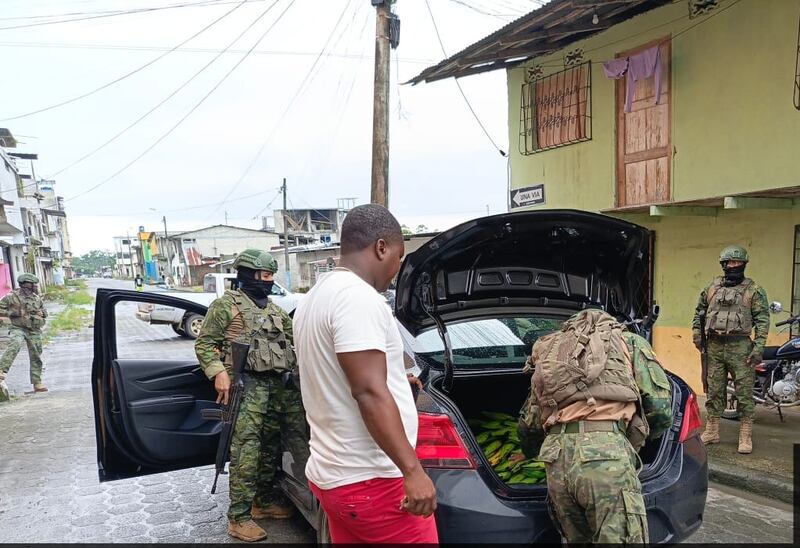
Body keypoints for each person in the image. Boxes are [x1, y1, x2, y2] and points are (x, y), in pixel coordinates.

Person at [293, 204, 438, 544]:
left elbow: (337, 376)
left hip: (335, 476)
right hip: (374, 482)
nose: (397, 269)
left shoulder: (314, 299)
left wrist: (394, 381)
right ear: (381, 247)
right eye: (399, 258)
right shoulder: (358, 299)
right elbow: (368, 392)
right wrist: (413, 471)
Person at [517, 308, 673, 544]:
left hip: (556, 458)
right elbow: (660, 409)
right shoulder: (629, 342)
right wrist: (638, 441)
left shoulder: (552, 350)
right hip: (605, 455)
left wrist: (528, 451)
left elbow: (531, 420)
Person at [194, 249, 309, 542]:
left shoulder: (274, 310)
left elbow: (297, 341)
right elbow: (205, 343)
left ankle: (263, 501)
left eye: (271, 276)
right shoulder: (226, 306)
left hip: (274, 389)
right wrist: (218, 372)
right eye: (264, 276)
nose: (268, 281)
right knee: (246, 451)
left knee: (270, 446)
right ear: (248, 275)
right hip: (244, 387)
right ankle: (238, 516)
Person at [692, 245, 769, 454]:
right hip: (715, 346)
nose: (732, 266)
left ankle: (745, 435)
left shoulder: (753, 290)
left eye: (737, 263)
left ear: (743, 265)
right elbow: (699, 312)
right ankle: (712, 430)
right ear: (723, 264)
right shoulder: (712, 288)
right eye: (729, 263)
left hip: (741, 347)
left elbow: (762, 320)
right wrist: (697, 335)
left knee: (743, 393)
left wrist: (758, 347)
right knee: (714, 390)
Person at [0, 274, 48, 393]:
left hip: (34, 329)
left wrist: (41, 313)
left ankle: (37, 383)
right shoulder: (12, 297)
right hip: (18, 327)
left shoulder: (36, 298)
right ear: (26, 284)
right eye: (33, 284)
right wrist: (14, 312)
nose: (35, 286)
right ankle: (1, 371)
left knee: (36, 355)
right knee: (15, 344)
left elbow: (45, 312)